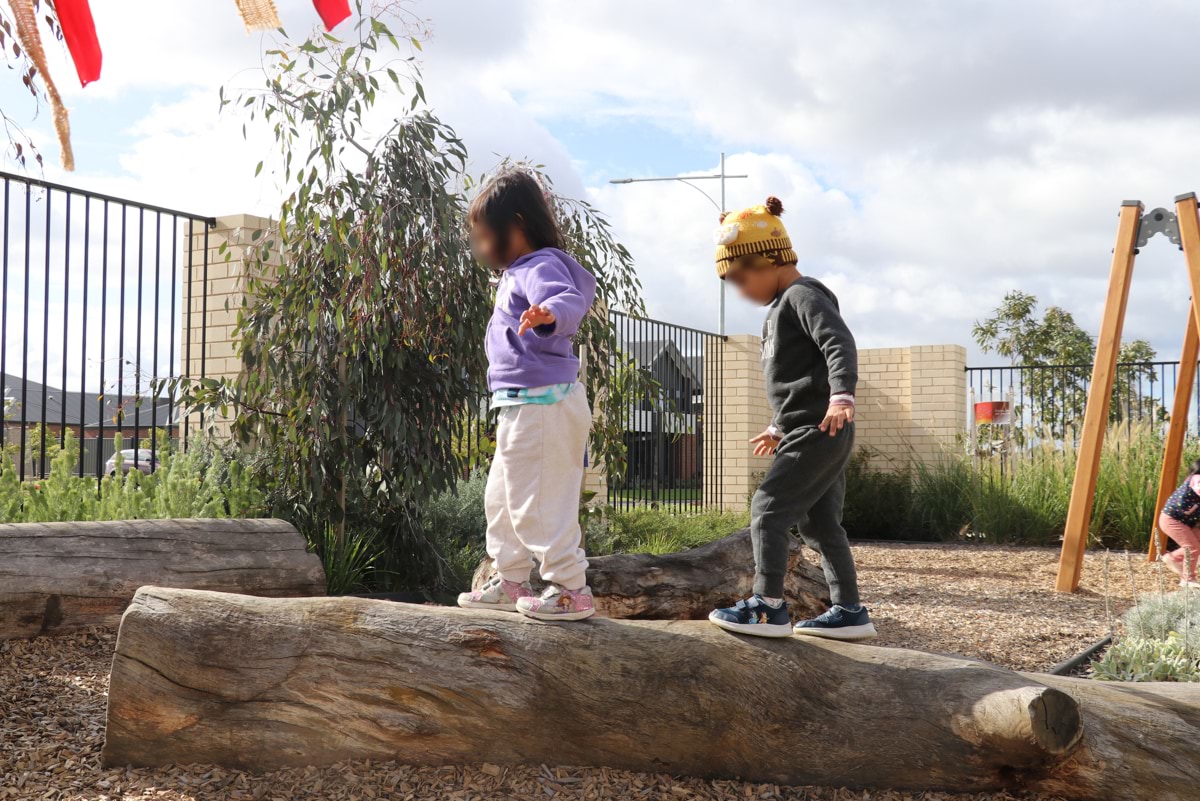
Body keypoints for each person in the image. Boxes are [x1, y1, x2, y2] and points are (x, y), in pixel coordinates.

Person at [706, 196, 876, 640]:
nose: (741, 291)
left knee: (767, 508)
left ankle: (767, 607)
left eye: (743, 279)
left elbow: (837, 344)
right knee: (819, 525)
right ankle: (849, 611)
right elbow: (800, 381)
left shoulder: (804, 295)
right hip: (808, 427)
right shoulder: (780, 309)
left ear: (769, 260)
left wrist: (842, 395)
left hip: (821, 427)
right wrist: (778, 426)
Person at [456, 168, 598, 621]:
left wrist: (548, 312)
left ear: (515, 225)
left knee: (538, 502)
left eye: (484, 236)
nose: (481, 248)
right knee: (502, 499)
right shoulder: (519, 271)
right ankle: (512, 578)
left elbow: (568, 298)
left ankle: (570, 589)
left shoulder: (540, 266)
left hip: (544, 404)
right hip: (523, 405)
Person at [1158, 459, 1200, 588]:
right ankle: (1187, 579)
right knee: (1191, 547)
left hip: (1183, 521)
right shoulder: (1196, 479)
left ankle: (1172, 558)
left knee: (1196, 543)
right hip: (1172, 519)